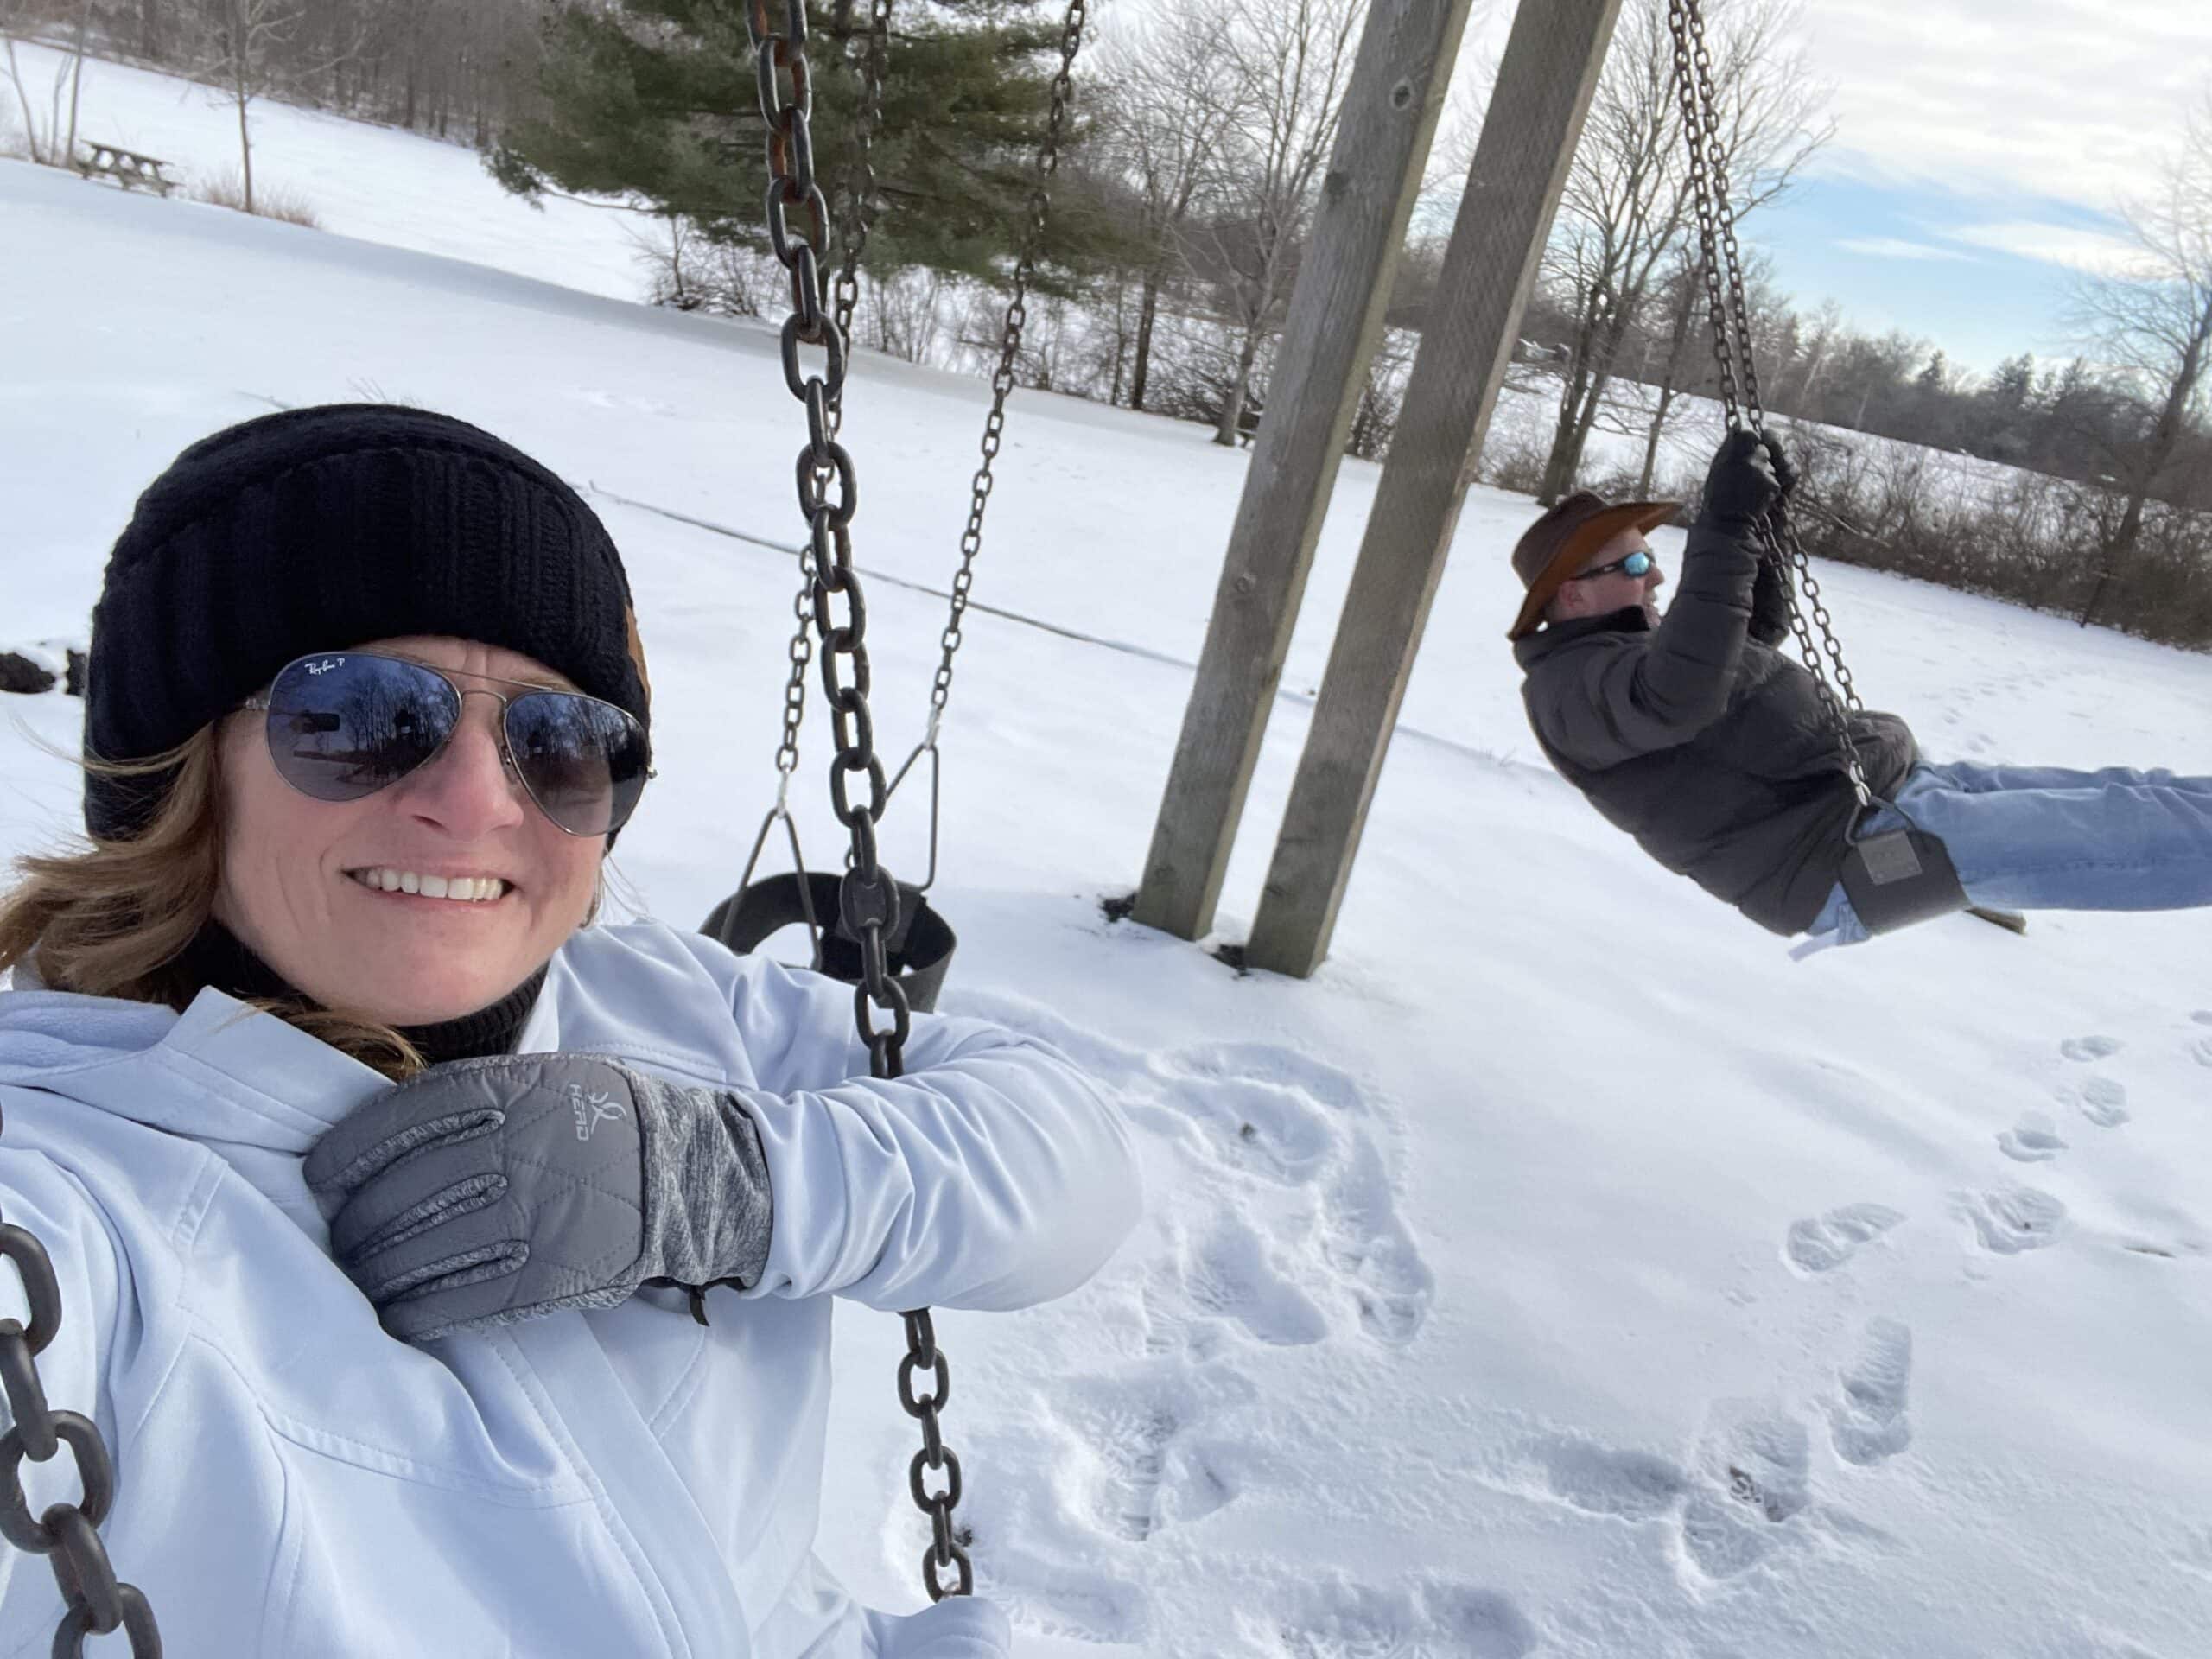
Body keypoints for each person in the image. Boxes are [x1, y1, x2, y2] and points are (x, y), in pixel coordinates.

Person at [0, 404, 1143, 1656]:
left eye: (560, 740)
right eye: (363, 714)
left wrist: (734, 1182)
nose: (480, 801)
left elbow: (1071, 1160)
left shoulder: (658, 998)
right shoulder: (69, 1198)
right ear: (178, 768)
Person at [1507, 431, 2212, 948]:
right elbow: (1683, 693)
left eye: (1651, 558)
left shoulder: (1631, 644)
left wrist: (1765, 523)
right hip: (1846, 854)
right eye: (1633, 562)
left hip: (1895, 789)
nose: (1653, 576)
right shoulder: (1566, 692)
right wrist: (1720, 526)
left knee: (2138, 792)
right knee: (2129, 829)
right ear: (1571, 595)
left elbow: (1753, 629)